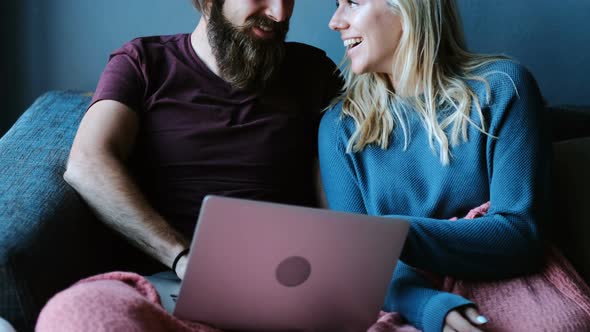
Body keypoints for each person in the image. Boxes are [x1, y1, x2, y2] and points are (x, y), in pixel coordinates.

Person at [62, 0, 341, 282]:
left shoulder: (313, 73)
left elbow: (337, 200)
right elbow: (86, 163)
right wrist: (183, 258)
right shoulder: (143, 63)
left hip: (280, 281)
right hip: (166, 280)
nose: (279, 14)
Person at [319, 0, 553, 331]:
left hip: (505, 280)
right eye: (335, 4)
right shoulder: (340, 126)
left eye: (353, 2)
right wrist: (430, 306)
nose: (334, 21)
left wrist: (394, 234)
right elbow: (358, 261)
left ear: (408, 8)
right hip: (399, 296)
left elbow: (520, 235)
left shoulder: (503, 87)